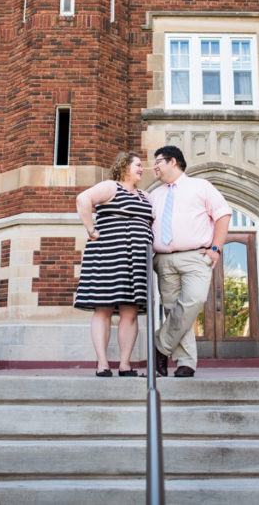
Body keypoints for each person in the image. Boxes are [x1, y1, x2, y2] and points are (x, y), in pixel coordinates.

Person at [150, 145, 232, 377]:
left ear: (173, 161)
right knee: (172, 310)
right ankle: (185, 362)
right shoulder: (154, 195)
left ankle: (160, 345)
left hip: (196, 256)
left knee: (193, 300)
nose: (154, 166)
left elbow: (222, 214)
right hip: (163, 259)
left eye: (158, 161)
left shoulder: (201, 186)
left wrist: (216, 248)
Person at [73, 152, 153, 377]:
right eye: (137, 165)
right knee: (103, 308)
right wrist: (91, 230)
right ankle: (102, 364)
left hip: (137, 260)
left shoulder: (144, 195)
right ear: (124, 166)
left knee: (131, 311)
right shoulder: (111, 187)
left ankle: (125, 364)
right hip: (108, 256)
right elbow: (83, 199)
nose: (141, 169)